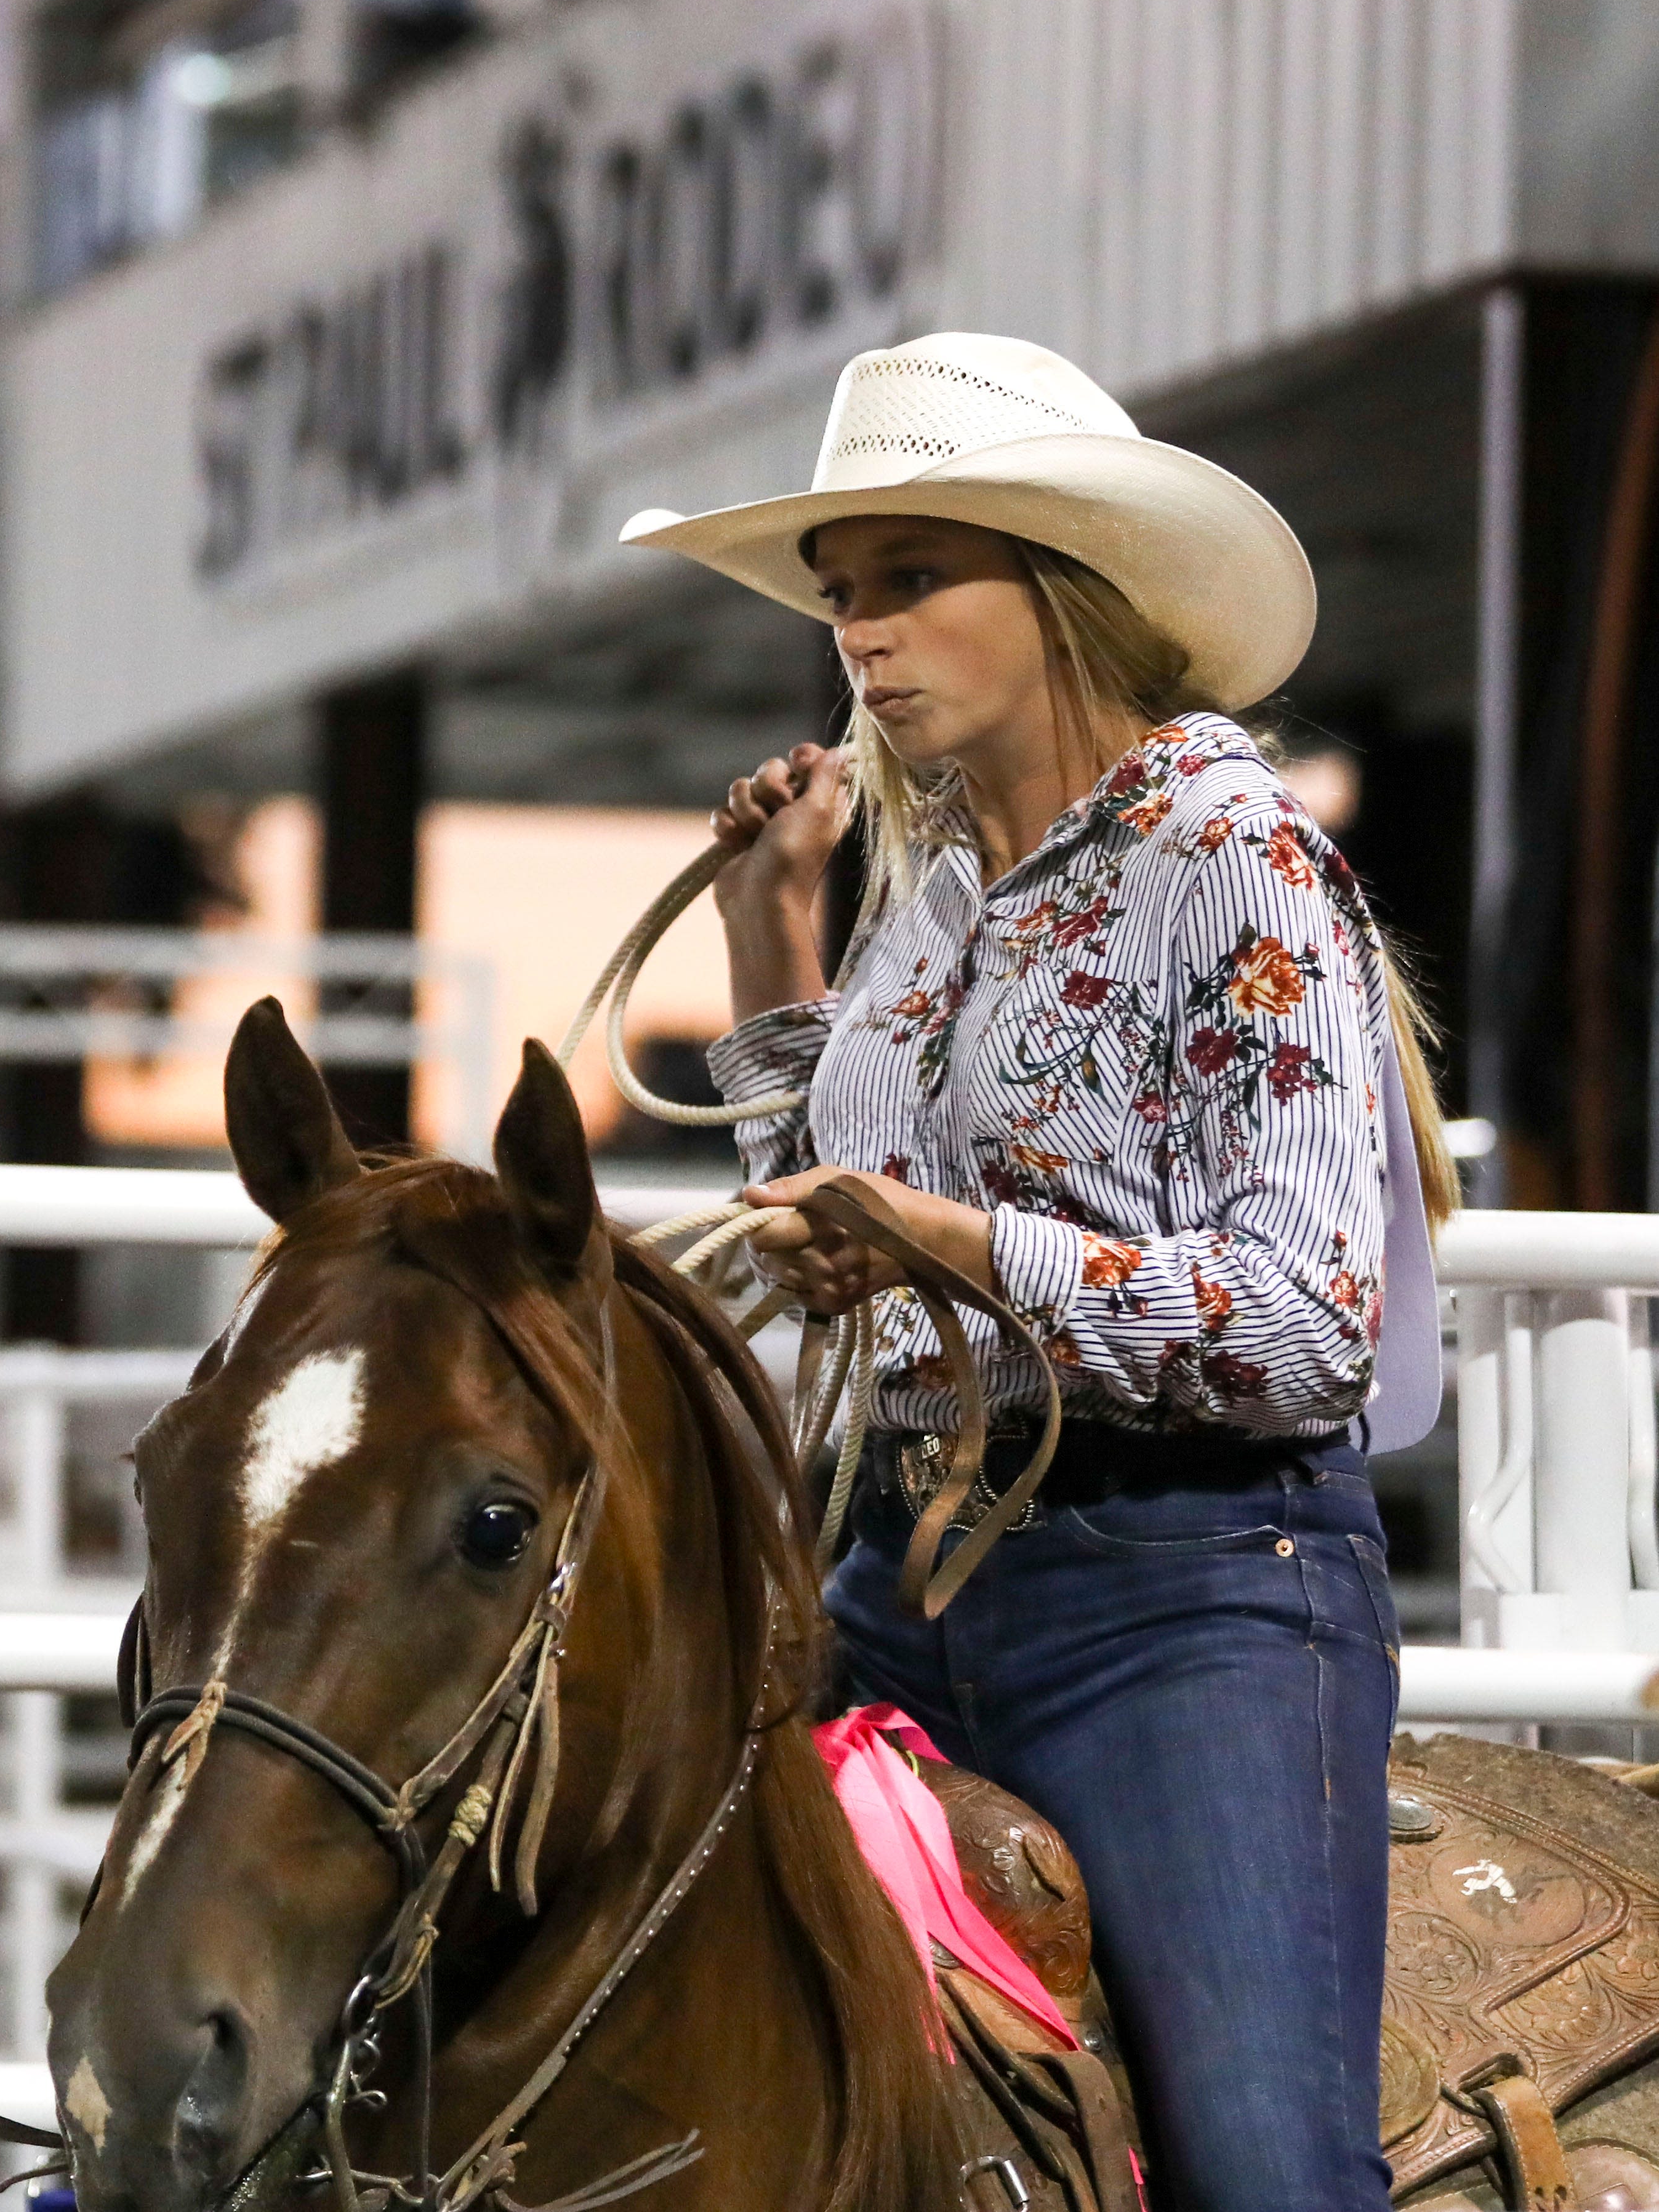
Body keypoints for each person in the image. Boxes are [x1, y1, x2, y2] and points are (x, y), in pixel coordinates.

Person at [622, 332, 1457, 2212]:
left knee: (1265, 2168)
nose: (865, 637)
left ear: (1058, 586)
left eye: (914, 580)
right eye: (846, 599)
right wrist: (774, 943)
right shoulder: (937, 901)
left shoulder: (1228, 846)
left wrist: (947, 1243)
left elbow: (1312, 1330)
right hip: (903, 1567)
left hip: (1182, 1591)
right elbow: (828, 1215)